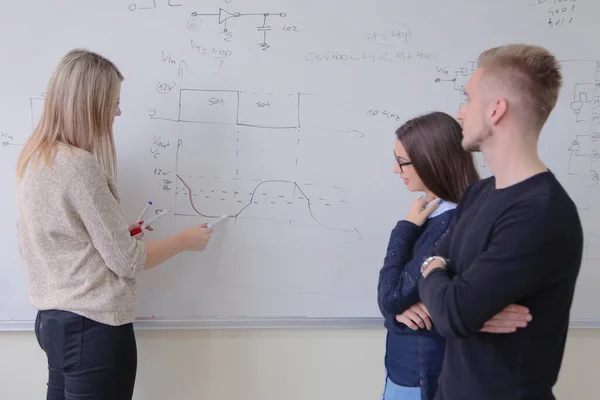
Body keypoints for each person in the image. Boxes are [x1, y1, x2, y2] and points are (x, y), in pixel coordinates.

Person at [15, 49, 213, 400]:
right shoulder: (79, 166)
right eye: (112, 103)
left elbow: (66, 240)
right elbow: (128, 261)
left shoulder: (35, 158)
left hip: (53, 325)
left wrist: (120, 233)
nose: (117, 113)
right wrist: (184, 240)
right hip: (93, 329)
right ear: (88, 104)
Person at [418, 44, 584, 400]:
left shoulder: (541, 213)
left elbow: (450, 313)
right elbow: (437, 275)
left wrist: (451, 294)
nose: (460, 112)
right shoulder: (479, 194)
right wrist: (445, 282)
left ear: (496, 110)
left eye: (468, 98)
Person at [378, 111, 532, 400]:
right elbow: (394, 297)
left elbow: (390, 295)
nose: (395, 170)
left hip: (422, 374)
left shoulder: (449, 225)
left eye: (402, 162)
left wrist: (405, 228)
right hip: (411, 368)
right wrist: (396, 312)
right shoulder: (439, 213)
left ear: (430, 162)